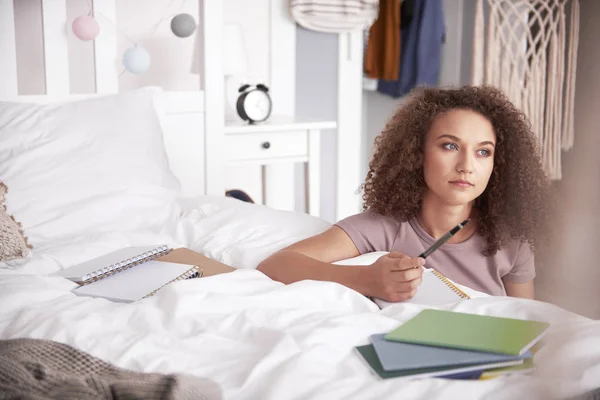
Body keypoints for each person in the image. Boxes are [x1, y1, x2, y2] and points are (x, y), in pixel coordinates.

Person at [257, 85, 552, 301]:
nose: (466, 166)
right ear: (416, 153)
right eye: (450, 146)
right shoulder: (383, 227)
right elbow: (276, 265)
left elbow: (525, 322)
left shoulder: (512, 239)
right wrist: (365, 279)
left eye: (483, 152)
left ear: (497, 164)